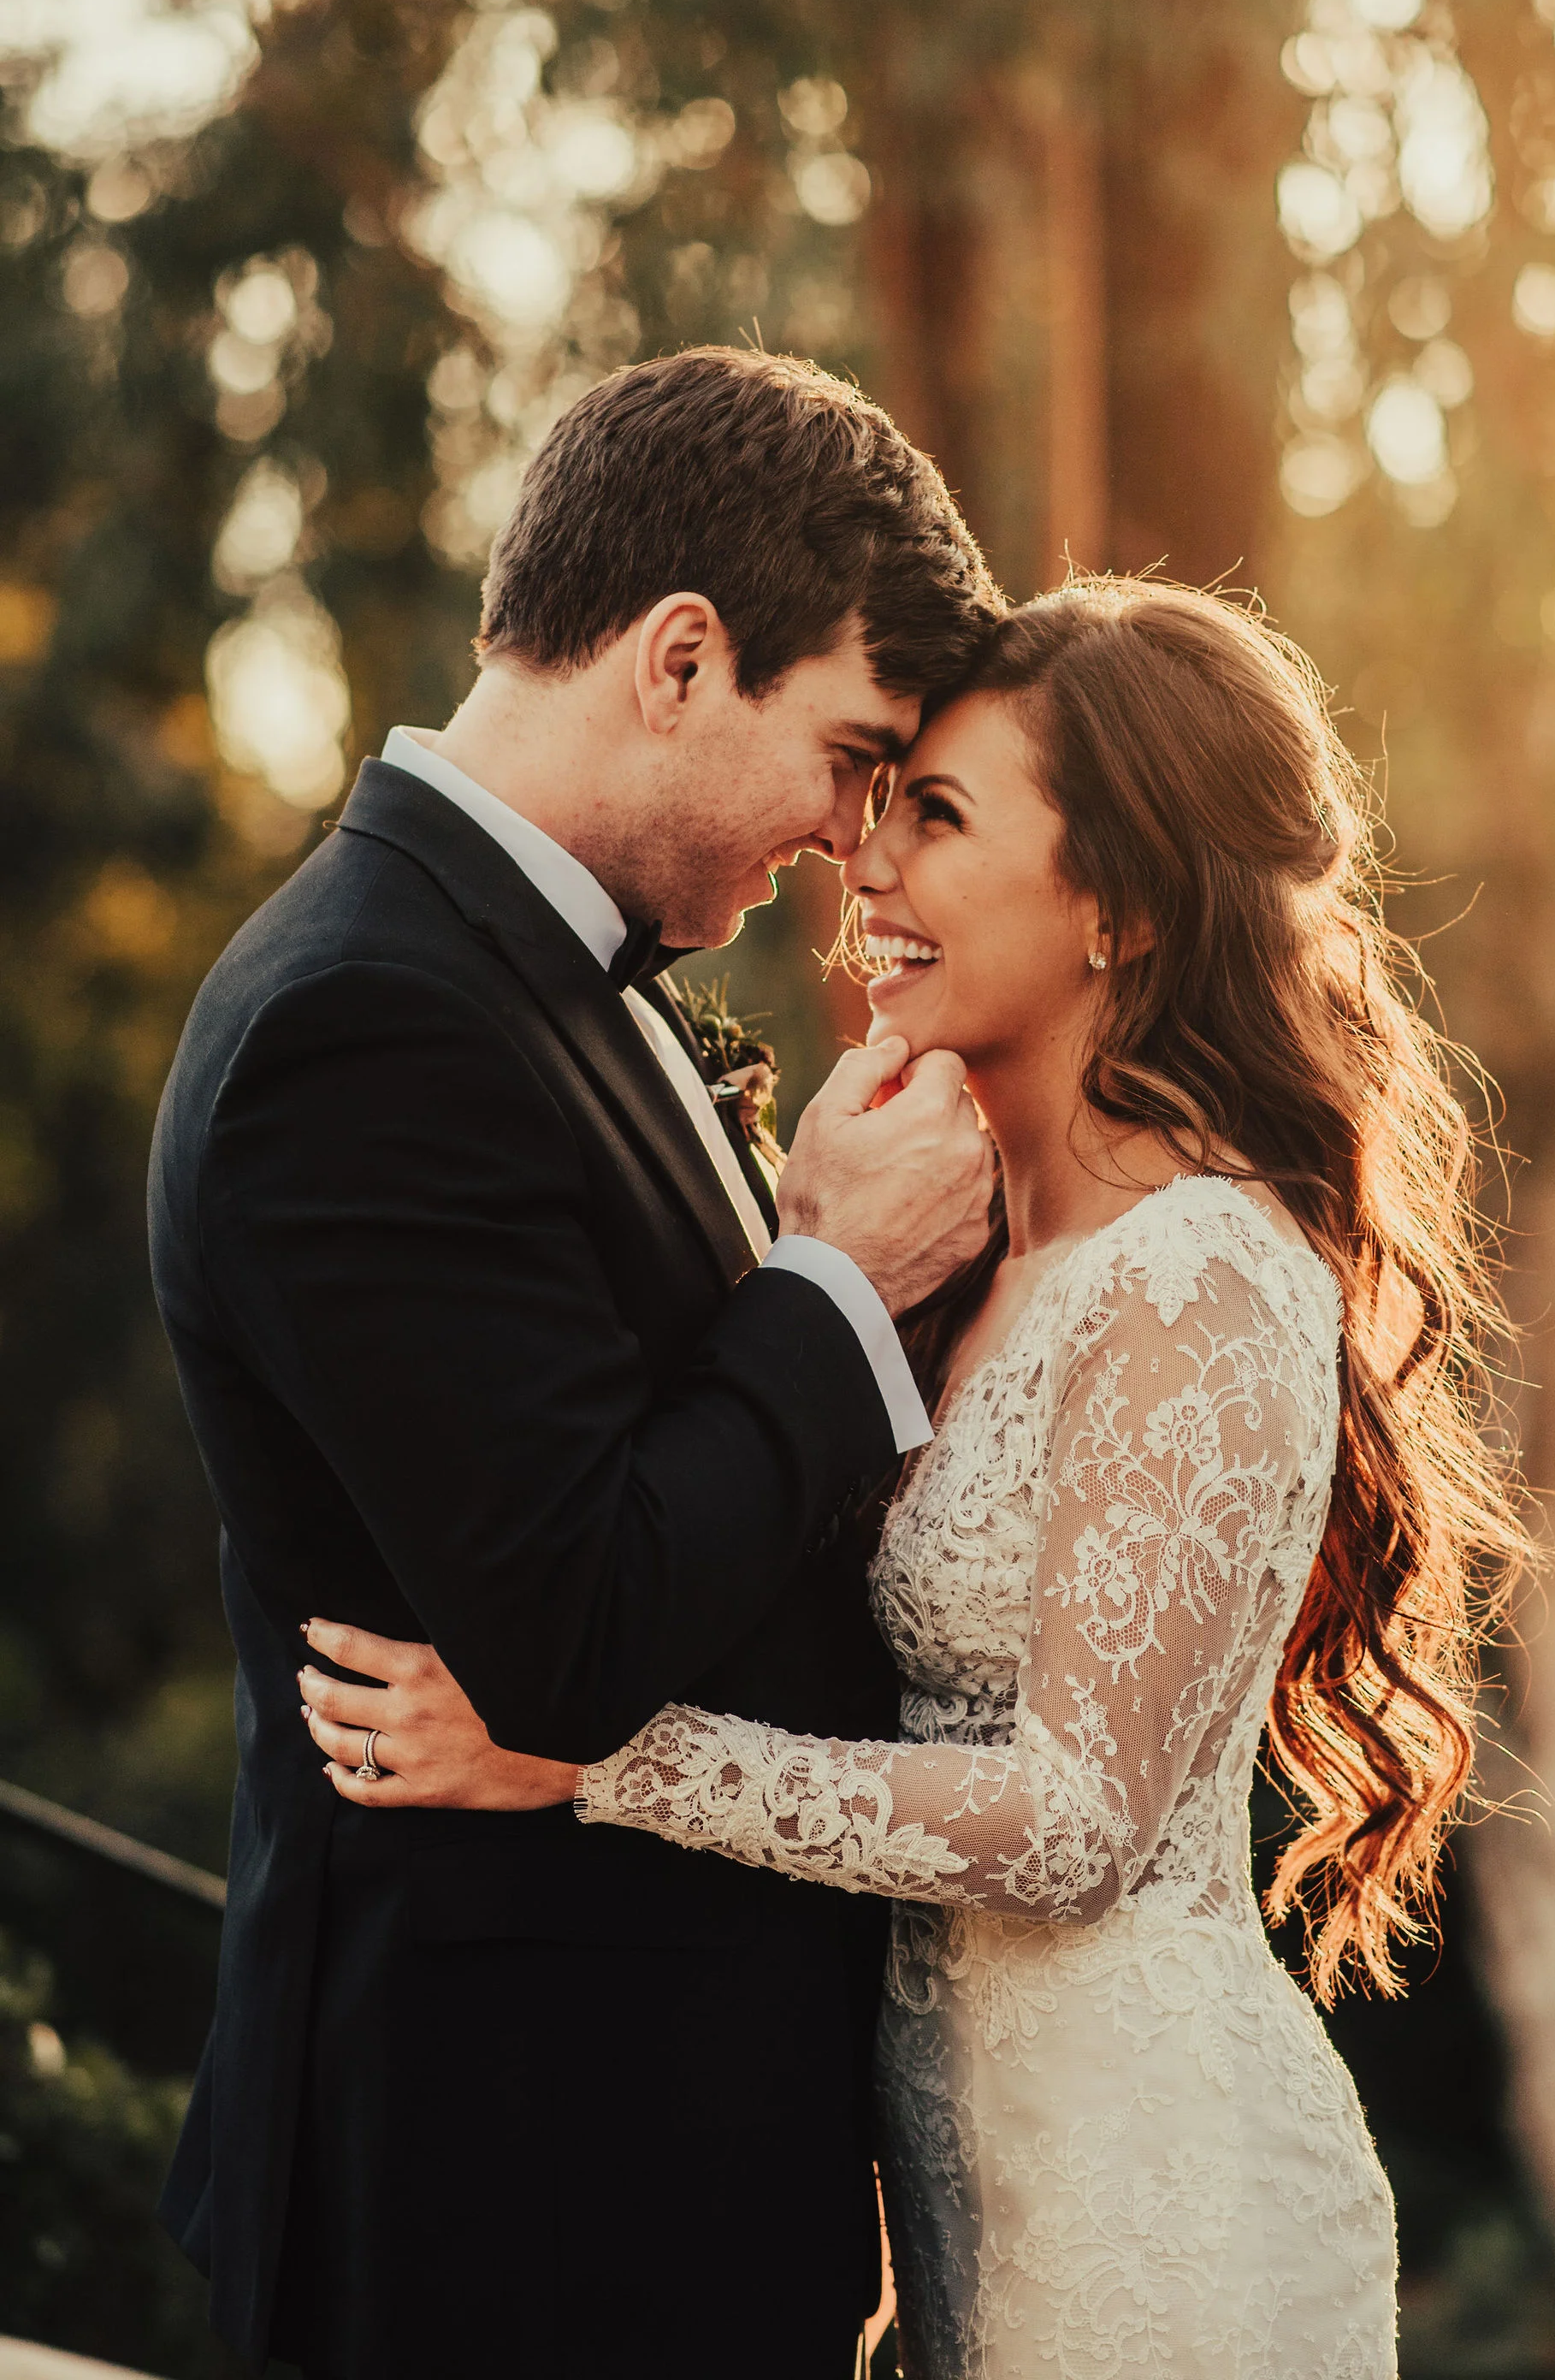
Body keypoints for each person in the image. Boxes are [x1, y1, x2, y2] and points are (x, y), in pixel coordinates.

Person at [305, 581, 1533, 2380]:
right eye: (877, 809)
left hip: (1156, 2219)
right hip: (963, 2207)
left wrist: (596, 1760)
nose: (862, 867)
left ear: (1114, 899)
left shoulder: (1194, 1275)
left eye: (936, 818)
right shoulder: (959, 1261)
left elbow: (1075, 1826)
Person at [148, 347, 1002, 2380]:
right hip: (510, 2195)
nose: (843, 837)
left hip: (636, 2160)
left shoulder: (545, 969)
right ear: (681, 658)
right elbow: (575, 1617)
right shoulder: (363, 1023)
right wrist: (828, 1282)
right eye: (850, 753)